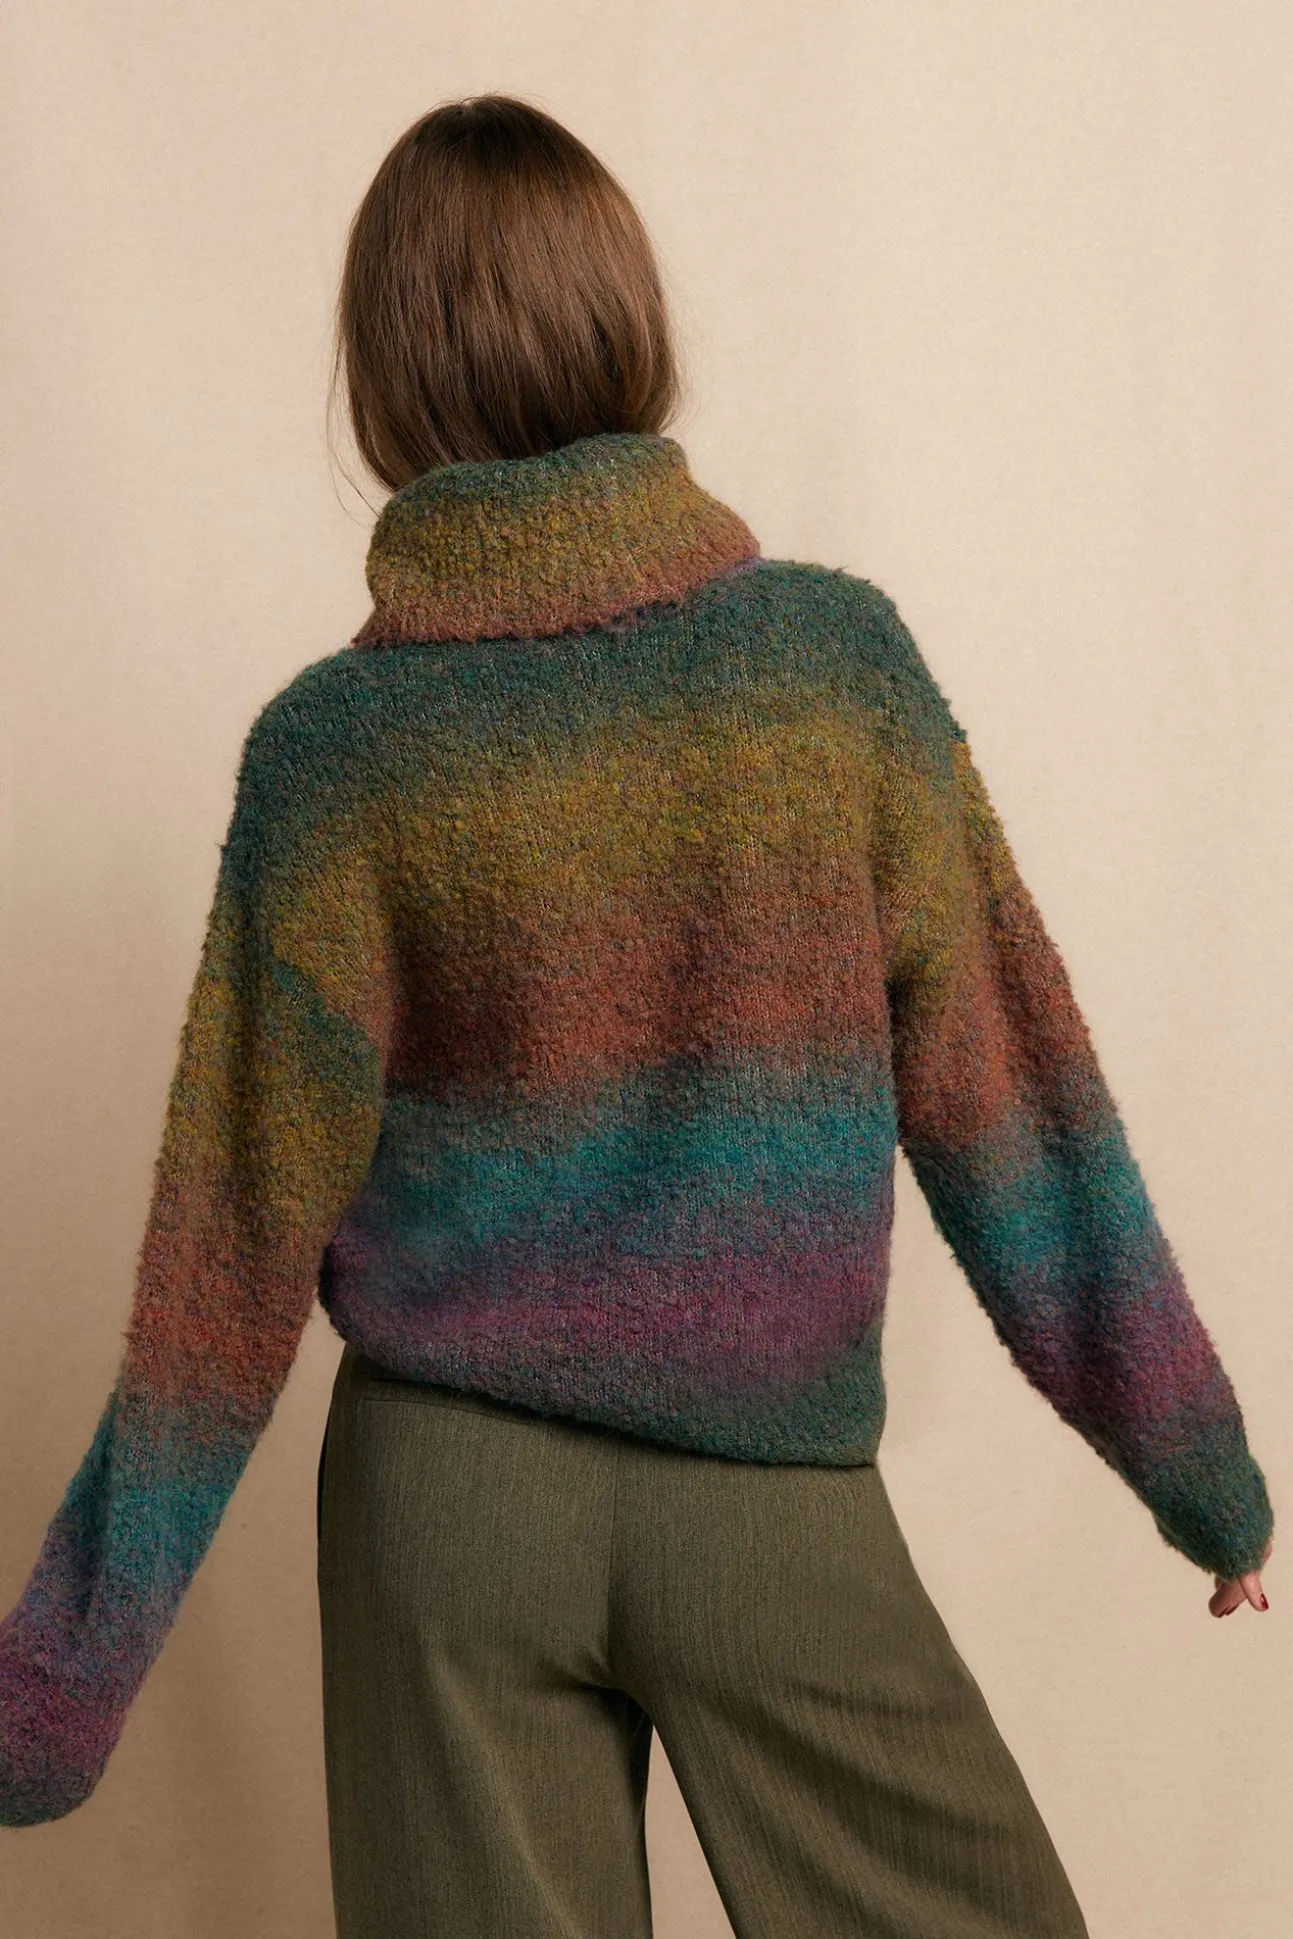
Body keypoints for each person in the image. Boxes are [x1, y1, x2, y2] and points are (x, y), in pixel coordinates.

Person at [0, 90, 1273, 1939]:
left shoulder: (332, 753)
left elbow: (226, 1254)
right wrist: (1200, 1468)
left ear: (384, 374)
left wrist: (55, 1684)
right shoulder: (831, 669)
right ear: (631, 321)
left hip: (445, 1512)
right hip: (766, 1495)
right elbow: (1016, 1104)